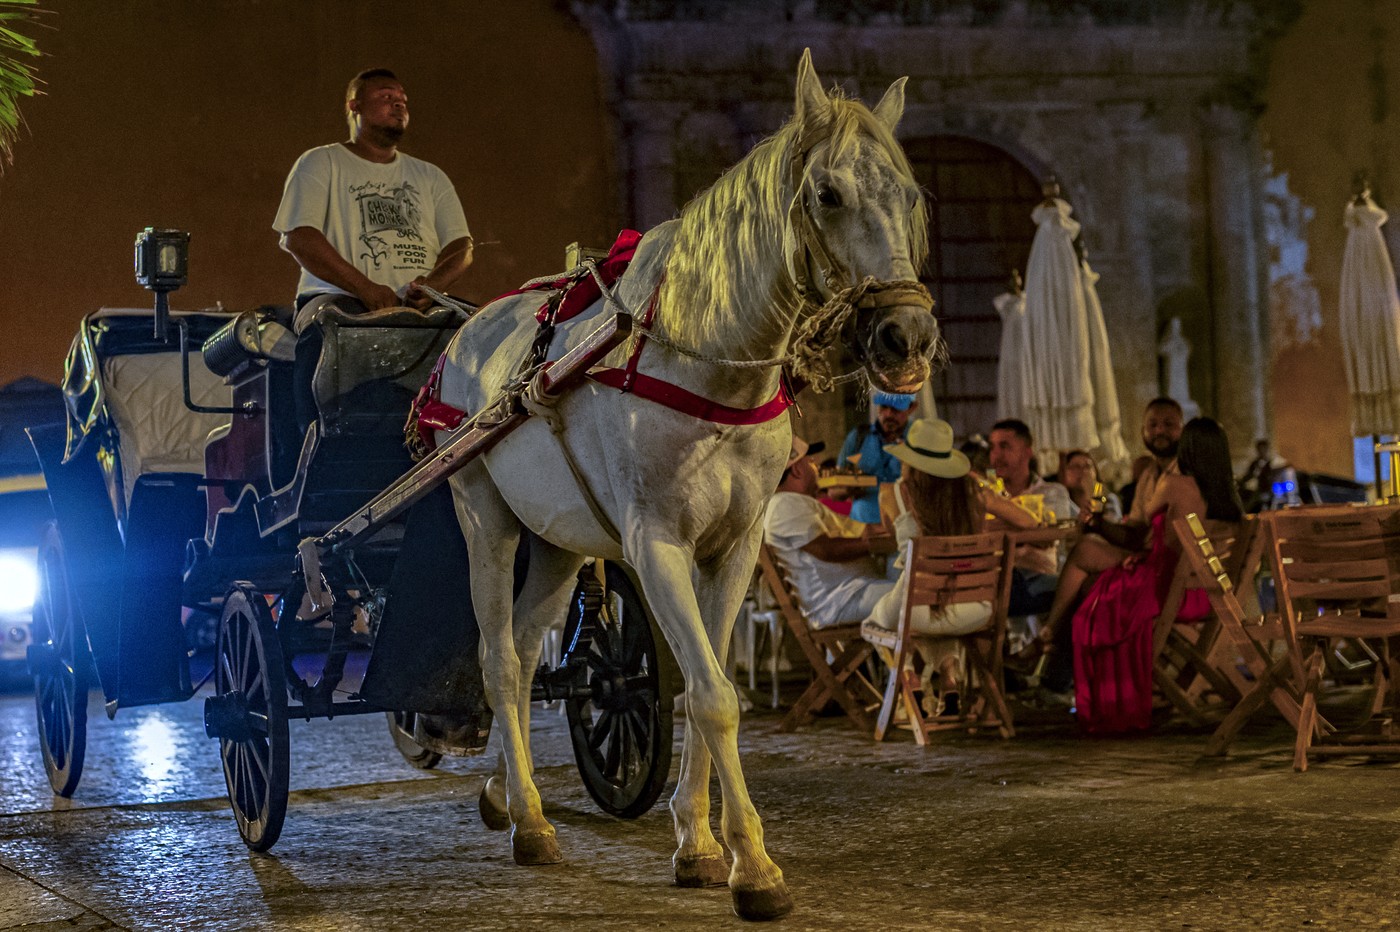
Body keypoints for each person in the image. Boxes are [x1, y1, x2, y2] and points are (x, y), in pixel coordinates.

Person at [274, 68, 474, 429]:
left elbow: (461, 246)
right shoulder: (322, 162)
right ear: (354, 106)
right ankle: (315, 447)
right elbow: (299, 236)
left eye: (403, 100)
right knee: (327, 335)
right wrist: (365, 288)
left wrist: (432, 287)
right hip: (335, 298)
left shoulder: (429, 176)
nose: (398, 104)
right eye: (385, 97)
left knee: (483, 328)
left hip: (419, 306)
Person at [1018, 418, 1243, 733]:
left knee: (1090, 575)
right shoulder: (1228, 496)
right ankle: (1049, 647)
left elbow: (1142, 528)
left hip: (1168, 590)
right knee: (1091, 574)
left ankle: (1049, 644)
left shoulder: (1175, 484)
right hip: (1205, 594)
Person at [864, 419, 1038, 711]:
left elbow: (891, 530)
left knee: (881, 620)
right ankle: (949, 677)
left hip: (917, 609)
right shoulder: (972, 490)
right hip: (977, 611)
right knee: (936, 616)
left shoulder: (892, 494)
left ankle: (910, 677)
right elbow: (1028, 521)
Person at [764, 436, 894, 628]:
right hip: (841, 600)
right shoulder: (784, 503)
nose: (814, 464)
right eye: (809, 461)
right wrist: (872, 544)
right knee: (917, 598)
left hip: (849, 592)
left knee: (914, 593)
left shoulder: (794, 503)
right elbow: (826, 550)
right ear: (798, 470)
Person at [838, 391, 918, 524]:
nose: (888, 414)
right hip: (863, 525)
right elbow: (834, 492)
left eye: (895, 409)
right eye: (883, 407)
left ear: (912, 407)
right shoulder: (858, 437)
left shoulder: (919, 440)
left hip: (906, 524)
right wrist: (849, 488)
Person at [1060, 449, 1123, 522]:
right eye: (1076, 467)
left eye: (1088, 466)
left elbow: (1113, 522)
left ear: (1095, 472)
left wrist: (1091, 493)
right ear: (1064, 473)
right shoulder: (1061, 502)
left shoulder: (1108, 499)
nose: (1083, 471)